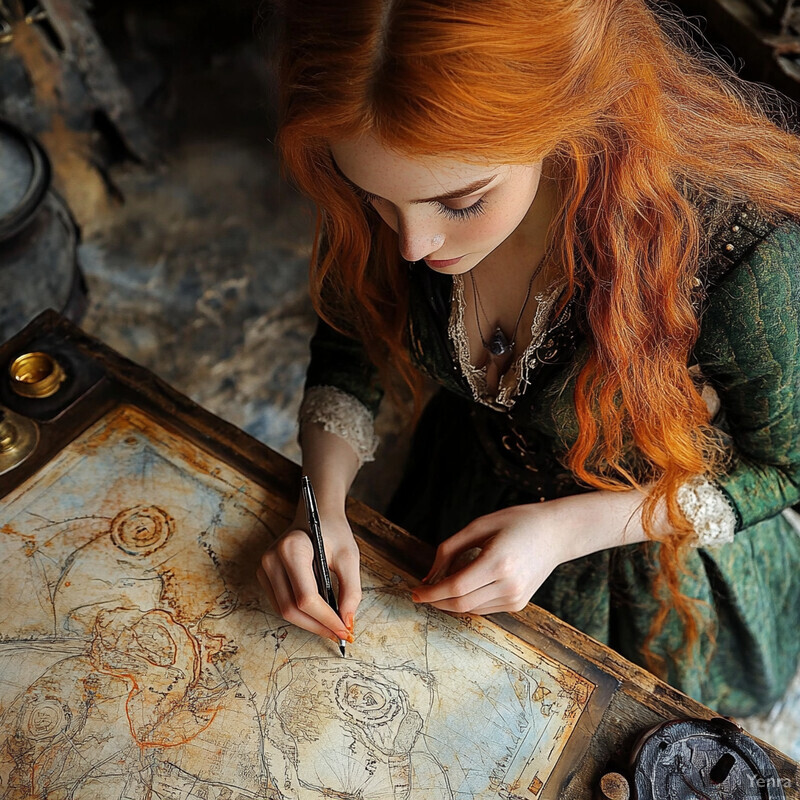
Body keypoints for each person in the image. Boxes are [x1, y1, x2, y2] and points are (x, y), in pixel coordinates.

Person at [256, 0, 800, 717]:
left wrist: (569, 528)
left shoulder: (736, 249)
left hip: (647, 543)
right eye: (377, 201)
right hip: (464, 481)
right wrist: (321, 506)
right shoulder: (381, 158)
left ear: (565, 118)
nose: (413, 246)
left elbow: (786, 464)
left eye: (459, 201)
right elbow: (352, 337)